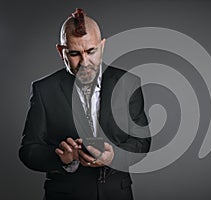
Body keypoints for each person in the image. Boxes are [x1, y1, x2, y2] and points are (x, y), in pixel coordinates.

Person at [19, 8, 151, 200]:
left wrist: (113, 157)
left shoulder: (128, 83)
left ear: (102, 46)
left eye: (91, 51)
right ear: (61, 51)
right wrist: (61, 158)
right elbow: (28, 150)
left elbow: (142, 142)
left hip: (117, 194)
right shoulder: (44, 90)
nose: (85, 62)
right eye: (74, 53)